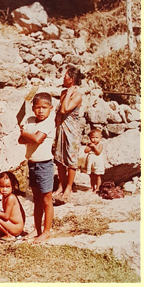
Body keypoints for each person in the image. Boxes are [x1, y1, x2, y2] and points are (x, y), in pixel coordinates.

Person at [19, 92, 56, 243]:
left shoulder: (49, 123)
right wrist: (27, 135)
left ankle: (46, 232)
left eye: (44, 107)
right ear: (33, 108)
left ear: (50, 108)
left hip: (45, 164)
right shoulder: (30, 120)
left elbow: (36, 138)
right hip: (32, 164)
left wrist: (25, 132)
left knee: (47, 199)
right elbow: (20, 140)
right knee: (37, 199)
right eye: (38, 107)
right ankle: (37, 229)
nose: (41, 111)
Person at [53, 65, 83, 202]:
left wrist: (70, 92)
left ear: (72, 79)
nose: (63, 78)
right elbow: (59, 113)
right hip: (62, 128)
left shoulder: (77, 96)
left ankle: (69, 187)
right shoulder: (63, 93)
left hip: (72, 131)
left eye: (65, 76)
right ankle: (61, 185)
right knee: (60, 158)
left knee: (71, 159)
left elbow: (64, 109)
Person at [0, 172, 26, 242]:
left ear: (13, 187)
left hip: (16, 228)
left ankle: (9, 235)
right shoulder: (5, 197)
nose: (4, 190)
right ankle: (5, 232)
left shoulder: (11, 198)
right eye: (2, 187)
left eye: (8, 187)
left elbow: (6, 217)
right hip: (14, 225)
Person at [84, 128, 105, 193]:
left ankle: (97, 188)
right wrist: (90, 147)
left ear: (100, 138)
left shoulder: (100, 144)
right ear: (90, 138)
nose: (94, 139)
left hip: (97, 162)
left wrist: (94, 147)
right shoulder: (89, 144)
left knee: (98, 176)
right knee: (92, 176)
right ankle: (92, 187)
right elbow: (85, 151)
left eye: (97, 137)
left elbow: (98, 152)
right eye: (92, 137)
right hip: (91, 162)